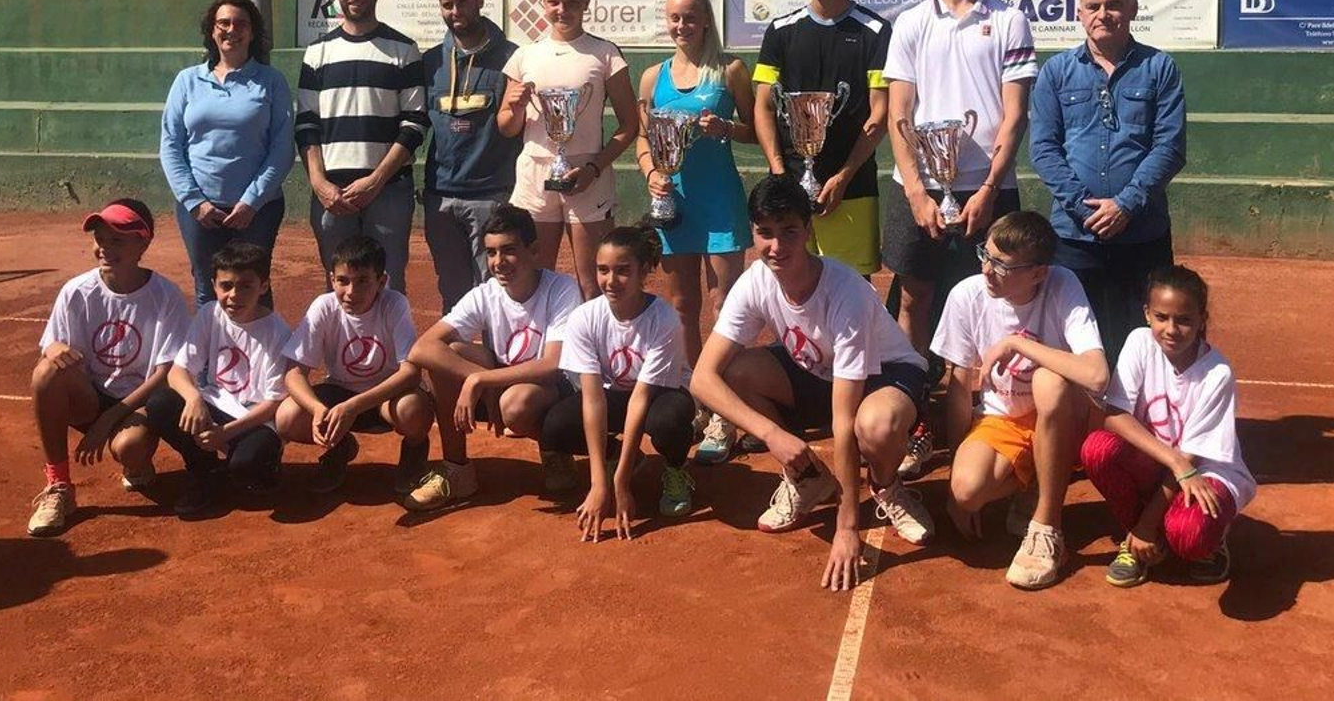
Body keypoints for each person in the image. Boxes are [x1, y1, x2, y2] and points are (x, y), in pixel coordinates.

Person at [691, 176, 935, 592]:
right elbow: (702, 378)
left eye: (789, 231)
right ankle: (807, 479)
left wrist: (846, 526)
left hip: (885, 373)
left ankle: (886, 485)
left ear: (808, 230)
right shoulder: (755, 281)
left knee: (872, 426)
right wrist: (772, 435)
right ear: (753, 233)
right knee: (737, 372)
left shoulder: (846, 292)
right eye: (765, 233)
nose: (776, 246)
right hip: (818, 372)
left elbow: (843, 419)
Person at [882, 0, 1038, 478]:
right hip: (916, 187)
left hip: (987, 191)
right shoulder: (911, 22)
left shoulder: (1011, 19)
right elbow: (901, 112)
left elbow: (1014, 113)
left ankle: (983, 415)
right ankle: (919, 418)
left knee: (996, 301)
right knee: (914, 299)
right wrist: (919, 193)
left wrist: (991, 186)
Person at [933, 211, 1109, 590]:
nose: (987, 270)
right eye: (986, 255)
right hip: (1002, 421)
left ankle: (1047, 528)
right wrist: (951, 479)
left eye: (1002, 265)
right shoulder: (966, 295)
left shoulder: (1063, 284)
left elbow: (1096, 375)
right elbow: (960, 387)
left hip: (1064, 416)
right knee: (967, 491)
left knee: (1050, 383)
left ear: (1038, 273)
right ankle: (1031, 485)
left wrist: (1017, 343)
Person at [1028, 0, 1187, 366]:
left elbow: (1169, 146)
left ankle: (1139, 424)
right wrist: (1085, 209)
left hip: (1142, 234)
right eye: (1094, 6)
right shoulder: (1056, 71)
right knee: (1076, 343)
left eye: (1114, 4)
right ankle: (1082, 426)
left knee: (1145, 343)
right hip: (1074, 238)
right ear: (1079, 13)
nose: (1104, 13)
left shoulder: (1160, 68)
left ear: (1131, 10)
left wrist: (1126, 205)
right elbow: (1044, 149)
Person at [399, 204, 585, 511]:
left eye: (509, 250)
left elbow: (552, 365)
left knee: (516, 404)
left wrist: (481, 379)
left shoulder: (560, 288)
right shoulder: (485, 293)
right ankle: (457, 471)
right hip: (499, 385)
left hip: (553, 390)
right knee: (449, 354)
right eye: (492, 252)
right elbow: (423, 348)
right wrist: (479, 378)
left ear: (534, 250)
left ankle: (556, 451)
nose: (499, 262)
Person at [1083, 265, 1254, 587]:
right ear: (1147, 314)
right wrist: (1173, 461)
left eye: (1184, 320)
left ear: (1203, 319)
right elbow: (1114, 414)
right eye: (1162, 317)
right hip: (1167, 464)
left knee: (1189, 538)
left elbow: (1191, 459)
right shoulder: (1139, 342)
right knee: (1097, 449)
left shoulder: (1217, 373)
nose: (1171, 329)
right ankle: (1138, 542)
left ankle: (1198, 537)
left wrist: (1148, 524)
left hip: (1204, 472)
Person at [27, 199, 189, 537]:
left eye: (117, 240)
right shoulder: (77, 291)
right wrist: (55, 348)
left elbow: (163, 375)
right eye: (100, 238)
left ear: (143, 242)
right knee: (45, 372)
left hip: (138, 403)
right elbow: (52, 344)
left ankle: (138, 461)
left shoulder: (166, 295)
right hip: (88, 395)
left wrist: (107, 421)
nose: (104, 248)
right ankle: (59, 487)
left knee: (130, 448)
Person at [498, 0, 640, 301]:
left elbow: (629, 127)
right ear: (543, 4)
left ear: (586, 4)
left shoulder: (605, 54)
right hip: (534, 173)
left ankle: (594, 357)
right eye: (554, 2)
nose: (563, 10)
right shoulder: (524, 56)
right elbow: (507, 127)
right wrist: (512, 106)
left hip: (588, 176)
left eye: (572, 3)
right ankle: (544, 356)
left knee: (593, 284)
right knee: (537, 279)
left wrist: (593, 169)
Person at [751, 0, 891, 280]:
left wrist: (844, 176)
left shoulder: (875, 32)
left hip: (852, 190)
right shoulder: (781, 31)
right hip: (789, 189)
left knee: (849, 293)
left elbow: (880, 112)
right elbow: (764, 107)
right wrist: (781, 174)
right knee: (790, 290)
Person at [538, 226, 697, 537]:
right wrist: (600, 484)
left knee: (670, 420)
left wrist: (620, 483)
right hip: (613, 395)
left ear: (644, 272)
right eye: (603, 270)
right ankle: (621, 458)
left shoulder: (664, 320)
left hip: (660, 393)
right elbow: (592, 398)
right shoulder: (584, 318)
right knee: (555, 426)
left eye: (623, 271)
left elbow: (641, 396)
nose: (611, 281)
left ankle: (675, 469)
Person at [636, 0, 754, 370]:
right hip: (675, 202)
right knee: (683, 306)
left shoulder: (730, 69)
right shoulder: (653, 77)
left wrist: (727, 128)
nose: (682, 25)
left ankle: (724, 394)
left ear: (705, 20)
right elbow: (643, 138)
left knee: (726, 304)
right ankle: (693, 392)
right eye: (675, 18)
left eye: (690, 17)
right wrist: (652, 171)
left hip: (720, 201)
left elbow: (757, 131)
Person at [296, 0, 429, 294]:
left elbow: (414, 124)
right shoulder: (317, 52)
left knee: (388, 284)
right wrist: (318, 183)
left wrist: (375, 180)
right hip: (332, 194)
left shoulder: (404, 49)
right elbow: (306, 124)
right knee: (339, 287)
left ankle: (389, 349)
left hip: (387, 191)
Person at [159, 0, 293, 307]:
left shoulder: (271, 81)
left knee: (254, 287)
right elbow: (170, 144)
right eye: (223, 23)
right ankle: (215, 356)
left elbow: (282, 147)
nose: (231, 29)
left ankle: (260, 357)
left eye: (240, 23)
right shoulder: (187, 80)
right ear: (212, 30)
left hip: (257, 212)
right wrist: (195, 202)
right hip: (200, 213)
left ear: (252, 31)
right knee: (208, 289)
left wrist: (251, 202)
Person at [275, 235, 435, 496]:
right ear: (331, 279)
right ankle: (339, 448)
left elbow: (410, 372)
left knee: (413, 409)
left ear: (381, 281)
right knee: (287, 417)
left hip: (386, 396)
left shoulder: (394, 304)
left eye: (362, 281)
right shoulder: (323, 306)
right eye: (343, 281)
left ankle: (414, 453)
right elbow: (294, 372)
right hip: (340, 394)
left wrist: (354, 406)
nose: (351, 292)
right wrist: (317, 409)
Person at [145, 241, 293, 516]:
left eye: (246, 286)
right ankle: (204, 470)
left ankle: (265, 465)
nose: (234, 295)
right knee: (161, 403)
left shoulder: (278, 331)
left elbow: (274, 403)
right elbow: (179, 371)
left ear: (264, 286)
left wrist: (224, 434)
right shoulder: (210, 313)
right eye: (226, 286)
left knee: (247, 469)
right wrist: (194, 399)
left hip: (257, 419)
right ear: (214, 285)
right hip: (216, 405)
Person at [421, 0, 521, 310]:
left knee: (495, 293)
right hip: (440, 197)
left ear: (479, 0)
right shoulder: (430, 61)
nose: (455, 11)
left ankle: (497, 362)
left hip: (491, 195)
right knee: (453, 295)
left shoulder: (513, 58)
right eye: (447, 4)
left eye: (462, 2)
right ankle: (457, 362)